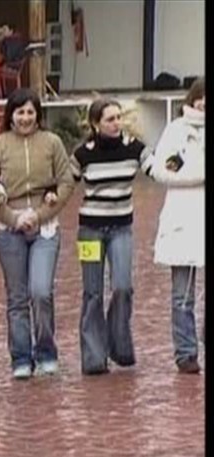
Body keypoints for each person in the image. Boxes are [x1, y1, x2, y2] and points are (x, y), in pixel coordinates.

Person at [0, 88, 75, 379]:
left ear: (38, 114)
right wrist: (13, 217)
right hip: (10, 231)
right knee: (17, 298)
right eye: (20, 112)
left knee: (41, 292)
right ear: (11, 115)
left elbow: (66, 182)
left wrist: (40, 214)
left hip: (44, 228)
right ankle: (20, 357)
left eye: (30, 112)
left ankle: (46, 352)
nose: (25, 117)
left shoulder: (52, 142)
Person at [70, 99, 153, 375]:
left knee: (122, 287)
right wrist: (47, 198)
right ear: (96, 124)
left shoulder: (134, 148)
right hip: (90, 231)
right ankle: (94, 357)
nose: (116, 123)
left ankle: (119, 346)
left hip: (121, 229)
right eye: (110, 119)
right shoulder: (83, 154)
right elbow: (65, 183)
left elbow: (157, 168)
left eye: (118, 117)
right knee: (92, 292)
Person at [150, 77, 205, 374]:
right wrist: (199, 175)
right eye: (201, 96)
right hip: (183, 217)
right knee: (182, 293)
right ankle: (185, 353)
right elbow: (164, 170)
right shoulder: (176, 131)